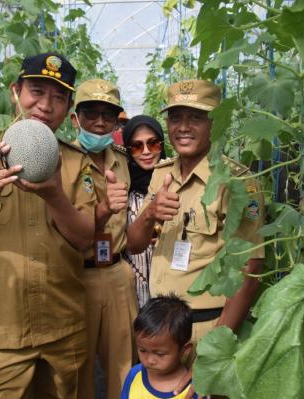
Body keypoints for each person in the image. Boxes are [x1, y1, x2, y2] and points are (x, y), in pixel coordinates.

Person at [0, 52, 95, 398]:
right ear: (15, 91)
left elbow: (86, 238)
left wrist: (56, 196)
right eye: (37, 92)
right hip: (1, 335)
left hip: (64, 328)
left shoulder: (74, 160)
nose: (46, 105)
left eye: (59, 97)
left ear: (69, 107)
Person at [127, 79, 265, 344]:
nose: (183, 127)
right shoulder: (161, 174)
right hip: (159, 327)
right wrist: (150, 213)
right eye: (175, 117)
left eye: (196, 118)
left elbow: (250, 267)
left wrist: (216, 345)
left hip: (204, 326)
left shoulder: (237, 182)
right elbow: (134, 245)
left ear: (215, 122)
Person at [70, 79, 139, 399]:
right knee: (76, 368)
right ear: (75, 118)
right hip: (75, 274)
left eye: (108, 115)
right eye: (91, 114)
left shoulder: (122, 159)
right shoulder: (61, 161)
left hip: (116, 271)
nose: (99, 122)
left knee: (123, 364)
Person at [121, 115, 167, 308]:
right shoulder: (122, 187)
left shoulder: (176, 183)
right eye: (137, 146)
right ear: (128, 151)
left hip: (169, 289)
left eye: (153, 144)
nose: (146, 152)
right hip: (132, 292)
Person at [120, 294, 197, 399]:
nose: (150, 360)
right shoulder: (134, 375)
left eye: (160, 354)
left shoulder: (194, 389)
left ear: (185, 350)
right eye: (142, 350)